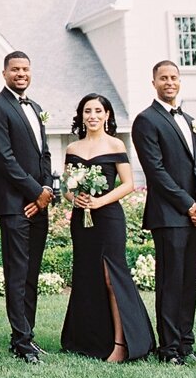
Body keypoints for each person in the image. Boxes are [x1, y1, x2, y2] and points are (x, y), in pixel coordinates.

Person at [131, 59, 196, 367]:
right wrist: (188, 204)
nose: (169, 82)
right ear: (153, 82)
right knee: (171, 281)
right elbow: (155, 171)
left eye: (174, 77)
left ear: (180, 81)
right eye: (163, 78)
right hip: (169, 215)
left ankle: (186, 343)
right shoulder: (146, 120)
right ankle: (169, 349)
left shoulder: (191, 119)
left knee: (189, 281)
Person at [59, 93, 155, 362]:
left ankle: (122, 343)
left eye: (98, 111)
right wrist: (74, 198)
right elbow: (67, 187)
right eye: (87, 111)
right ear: (81, 116)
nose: (92, 115)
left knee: (112, 278)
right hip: (82, 220)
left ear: (107, 115)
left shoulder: (116, 144)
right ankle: (89, 339)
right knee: (87, 276)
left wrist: (100, 201)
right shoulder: (72, 148)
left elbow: (127, 184)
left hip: (108, 218)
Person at [0, 50, 54, 363]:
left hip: (39, 204)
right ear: (4, 73)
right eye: (15, 69)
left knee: (32, 273)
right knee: (17, 271)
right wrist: (35, 192)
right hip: (14, 205)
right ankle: (21, 341)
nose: (21, 74)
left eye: (25, 69)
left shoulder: (35, 107)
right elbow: (3, 158)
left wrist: (47, 190)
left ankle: (27, 335)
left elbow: (45, 154)